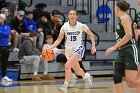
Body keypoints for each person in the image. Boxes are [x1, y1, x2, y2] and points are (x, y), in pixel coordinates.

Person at [49, 10, 96, 92]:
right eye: (70, 14)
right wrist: (51, 47)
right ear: (68, 16)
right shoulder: (64, 26)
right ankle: (86, 76)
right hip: (68, 50)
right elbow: (59, 39)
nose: (72, 15)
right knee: (77, 69)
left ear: (76, 16)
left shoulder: (81, 26)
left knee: (67, 65)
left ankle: (65, 85)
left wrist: (93, 46)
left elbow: (91, 34)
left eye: (74, 14)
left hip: (78, 48)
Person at [106, 1, 140, 93]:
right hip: (122, 51)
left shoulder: (125, 17)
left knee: (131, 83)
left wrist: (114, 47)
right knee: (117, 77)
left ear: (117, 8)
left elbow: (129, 35)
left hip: (129, 50)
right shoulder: (122, 18)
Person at [0, 13, 12, 82]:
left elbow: (7, 34)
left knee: (5, 62)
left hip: (6, 46)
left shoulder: (7, 26)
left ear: (4, 19)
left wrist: (1, 32)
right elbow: (5, 34)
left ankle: (4, 76)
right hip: (0, 46)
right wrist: (3, 33)